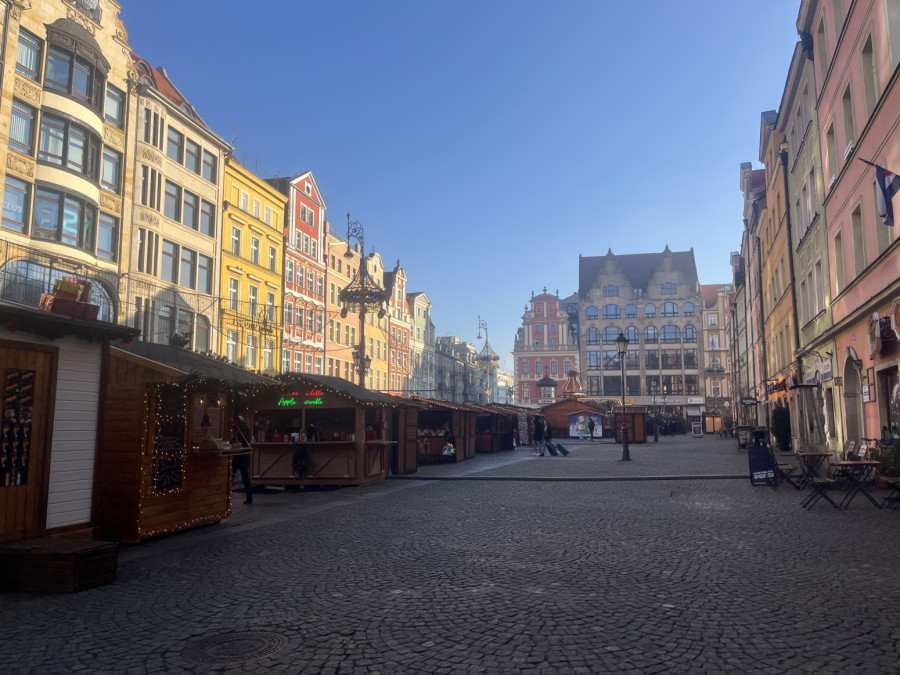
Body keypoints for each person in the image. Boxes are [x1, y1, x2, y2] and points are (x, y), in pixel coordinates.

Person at [232, 415, 253, 504]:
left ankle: (225, 497)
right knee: (245, 477)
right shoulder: (247, 432)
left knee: (230, 476)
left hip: (238, 456)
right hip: (245, 457)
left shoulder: (238, 432)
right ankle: (249, 497)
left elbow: (235, 442)